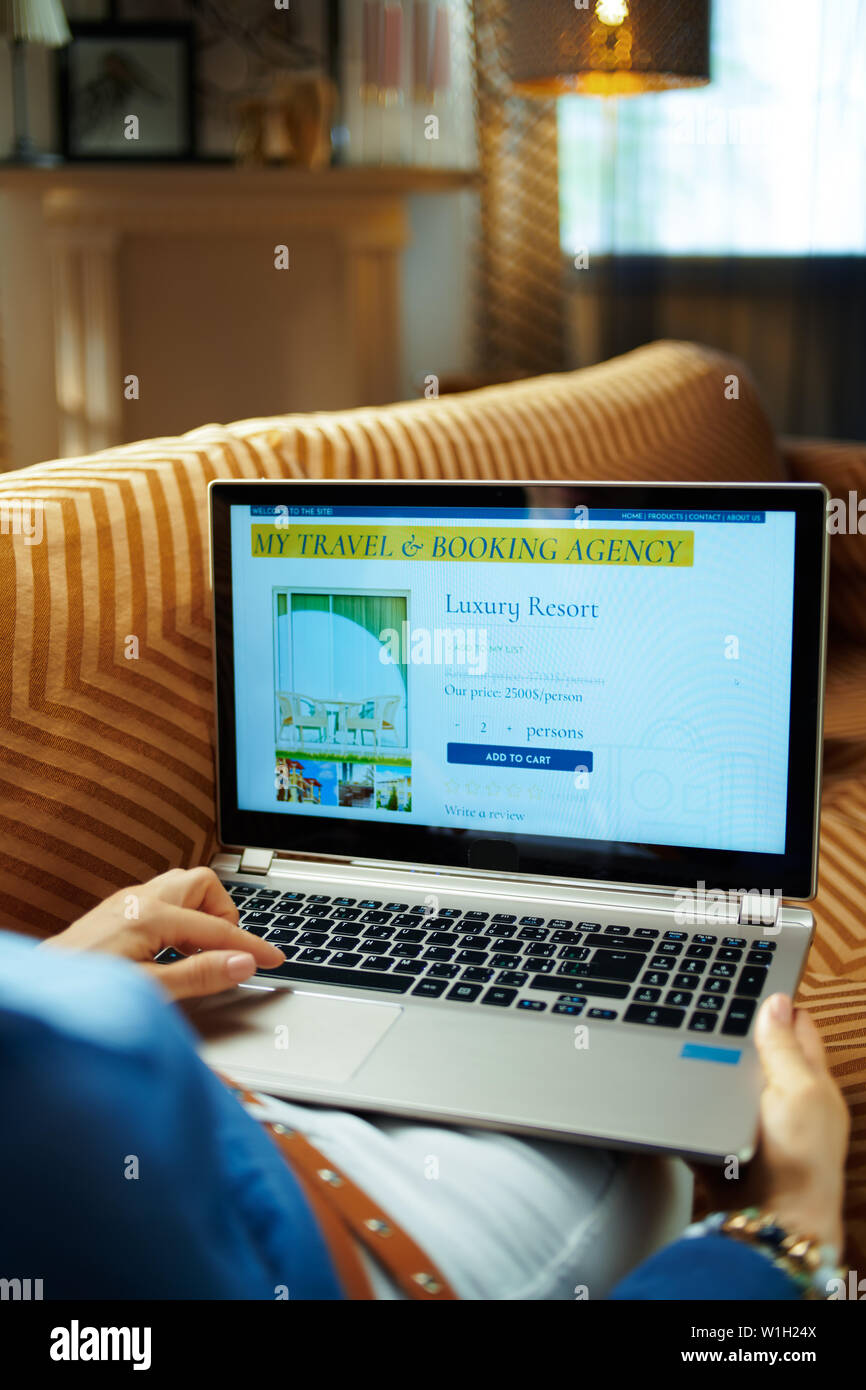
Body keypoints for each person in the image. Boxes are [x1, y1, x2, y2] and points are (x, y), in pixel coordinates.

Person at [0, 868, 849, 1300]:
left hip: (197, 1107)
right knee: (656, 1149)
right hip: (316, 1239)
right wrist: (785, 1230)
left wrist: (52, 987)